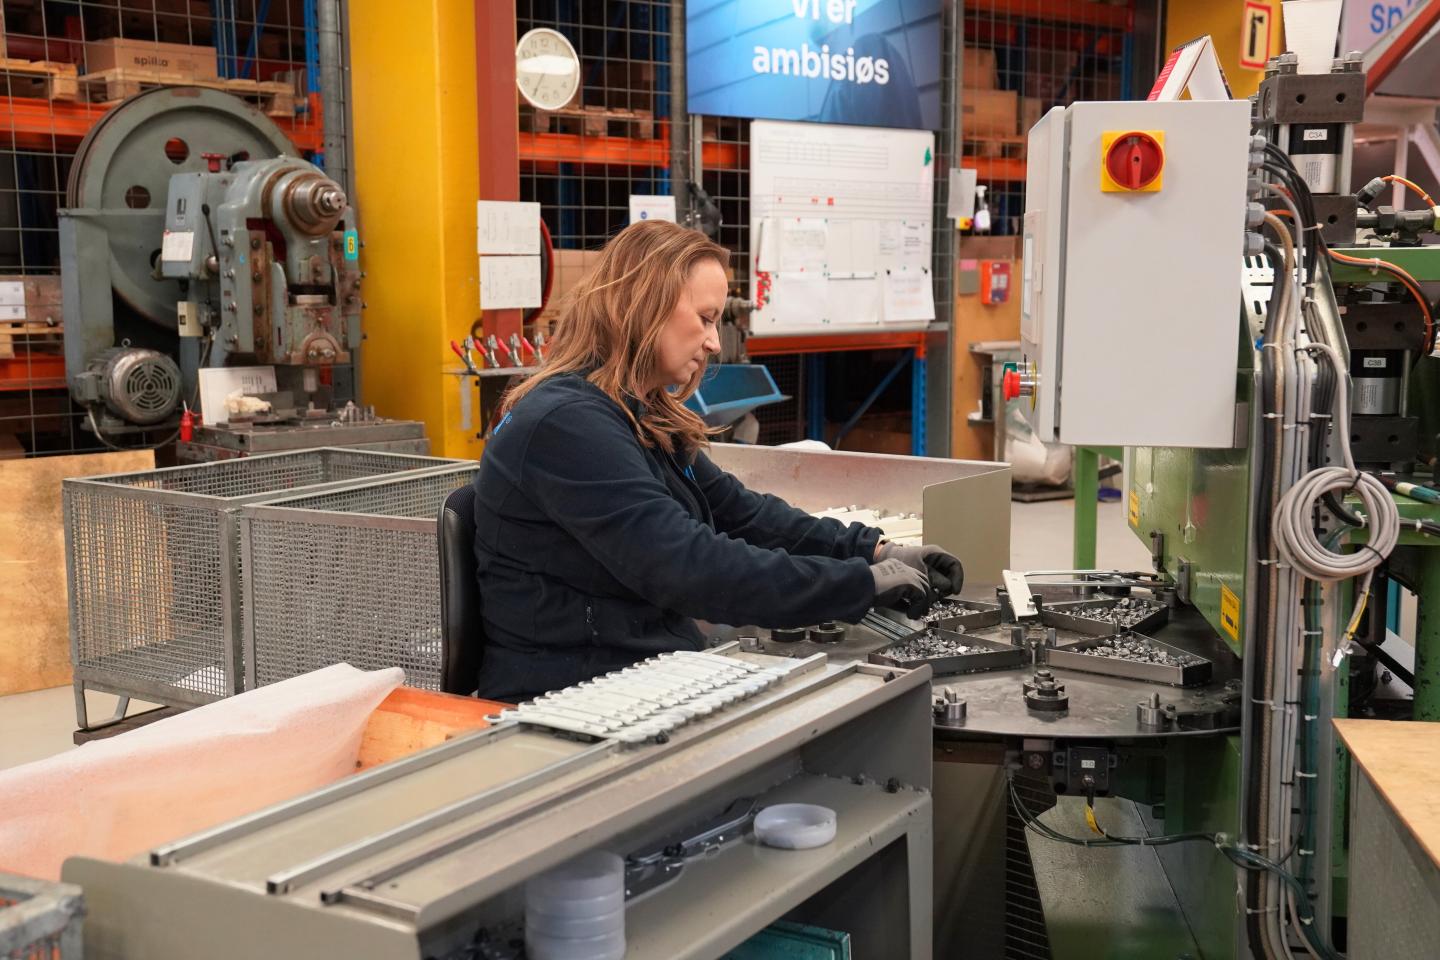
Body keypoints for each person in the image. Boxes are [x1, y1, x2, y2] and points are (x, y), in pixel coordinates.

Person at [470, 220, 962, 702]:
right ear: (643, 306)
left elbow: (742, 514)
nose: (713, 342)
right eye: (705, 318)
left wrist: (872, 551)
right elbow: (687, 566)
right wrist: (852, 586)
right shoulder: (566, 424)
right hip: (566, 697)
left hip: (638, 673)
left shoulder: (635, 414)